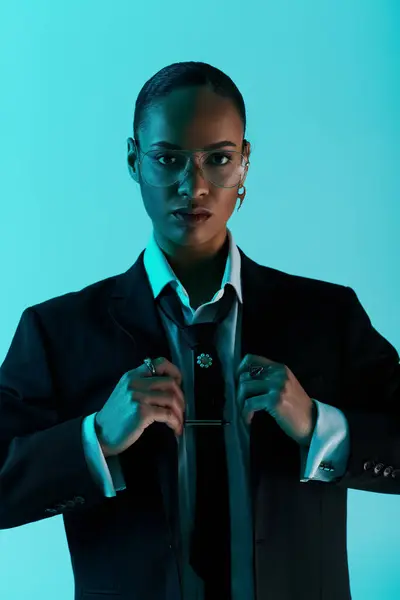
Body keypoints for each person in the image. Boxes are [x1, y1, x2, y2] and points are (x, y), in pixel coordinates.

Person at [0, 61, 399, 600]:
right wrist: (94, 439)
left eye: (219, 159)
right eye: (168, 160)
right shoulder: (57, 331)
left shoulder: (328, 317)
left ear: (245, 163)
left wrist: (320, 427)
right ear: (133, 161)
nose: (195, 186)